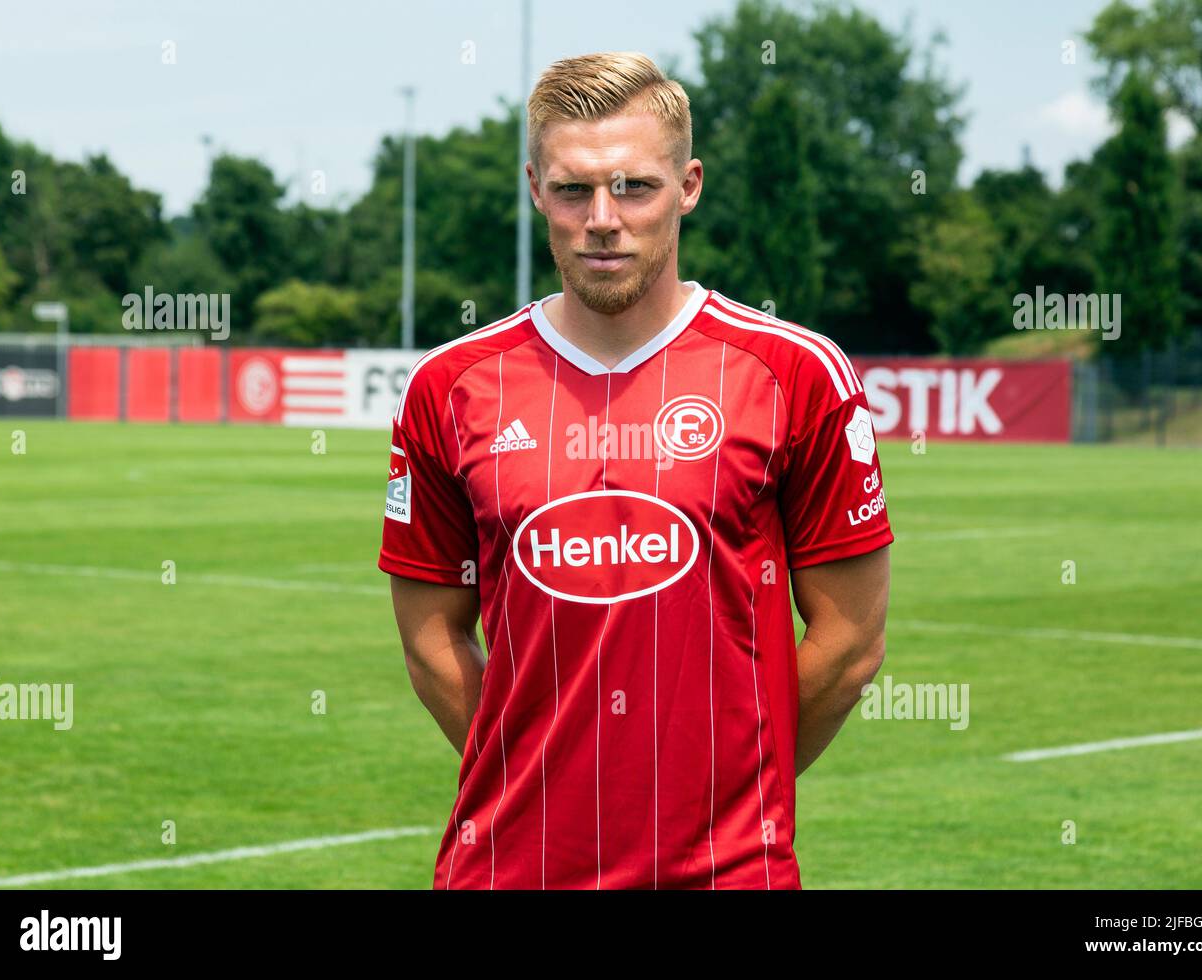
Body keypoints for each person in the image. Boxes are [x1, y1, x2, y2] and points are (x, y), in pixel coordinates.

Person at [379, 51, 892, 889]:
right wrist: (535, 777)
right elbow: (432, 637)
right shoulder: (450, 385)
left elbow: (851, 644)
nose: (603, 219)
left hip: (726, 870)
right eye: (574, 189)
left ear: (688, 186)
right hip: (510, 867)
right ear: (535, 190)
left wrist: (721, 794)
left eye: (634, 187)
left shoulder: (795, 372)